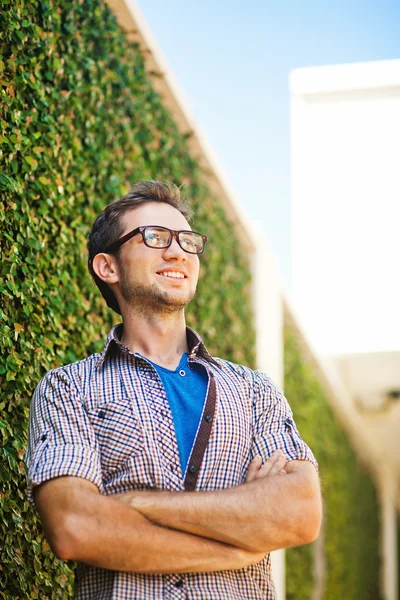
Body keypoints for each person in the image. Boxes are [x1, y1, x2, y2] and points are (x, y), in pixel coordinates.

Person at [26, 180, 321, 600]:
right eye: (154, 237)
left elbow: (300, 515)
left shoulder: (255, 391)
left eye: (187, 240)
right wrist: (237, 542)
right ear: (107, 267)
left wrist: (133, 505)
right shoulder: (68, 388)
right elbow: (76, 527)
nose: (178, 251)